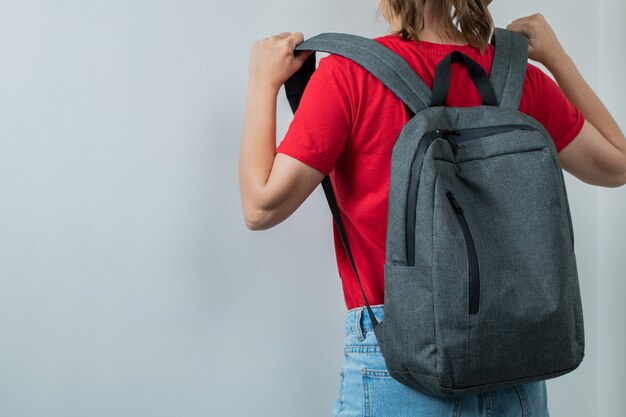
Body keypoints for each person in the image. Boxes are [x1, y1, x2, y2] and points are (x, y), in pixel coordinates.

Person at [239, 1, 626, 415]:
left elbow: (261, 207)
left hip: (400, 363)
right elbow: (616, 164)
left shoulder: (349, 75)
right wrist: (557, 58)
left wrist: (263, 82)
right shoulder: (518, 80)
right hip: (515, 362)